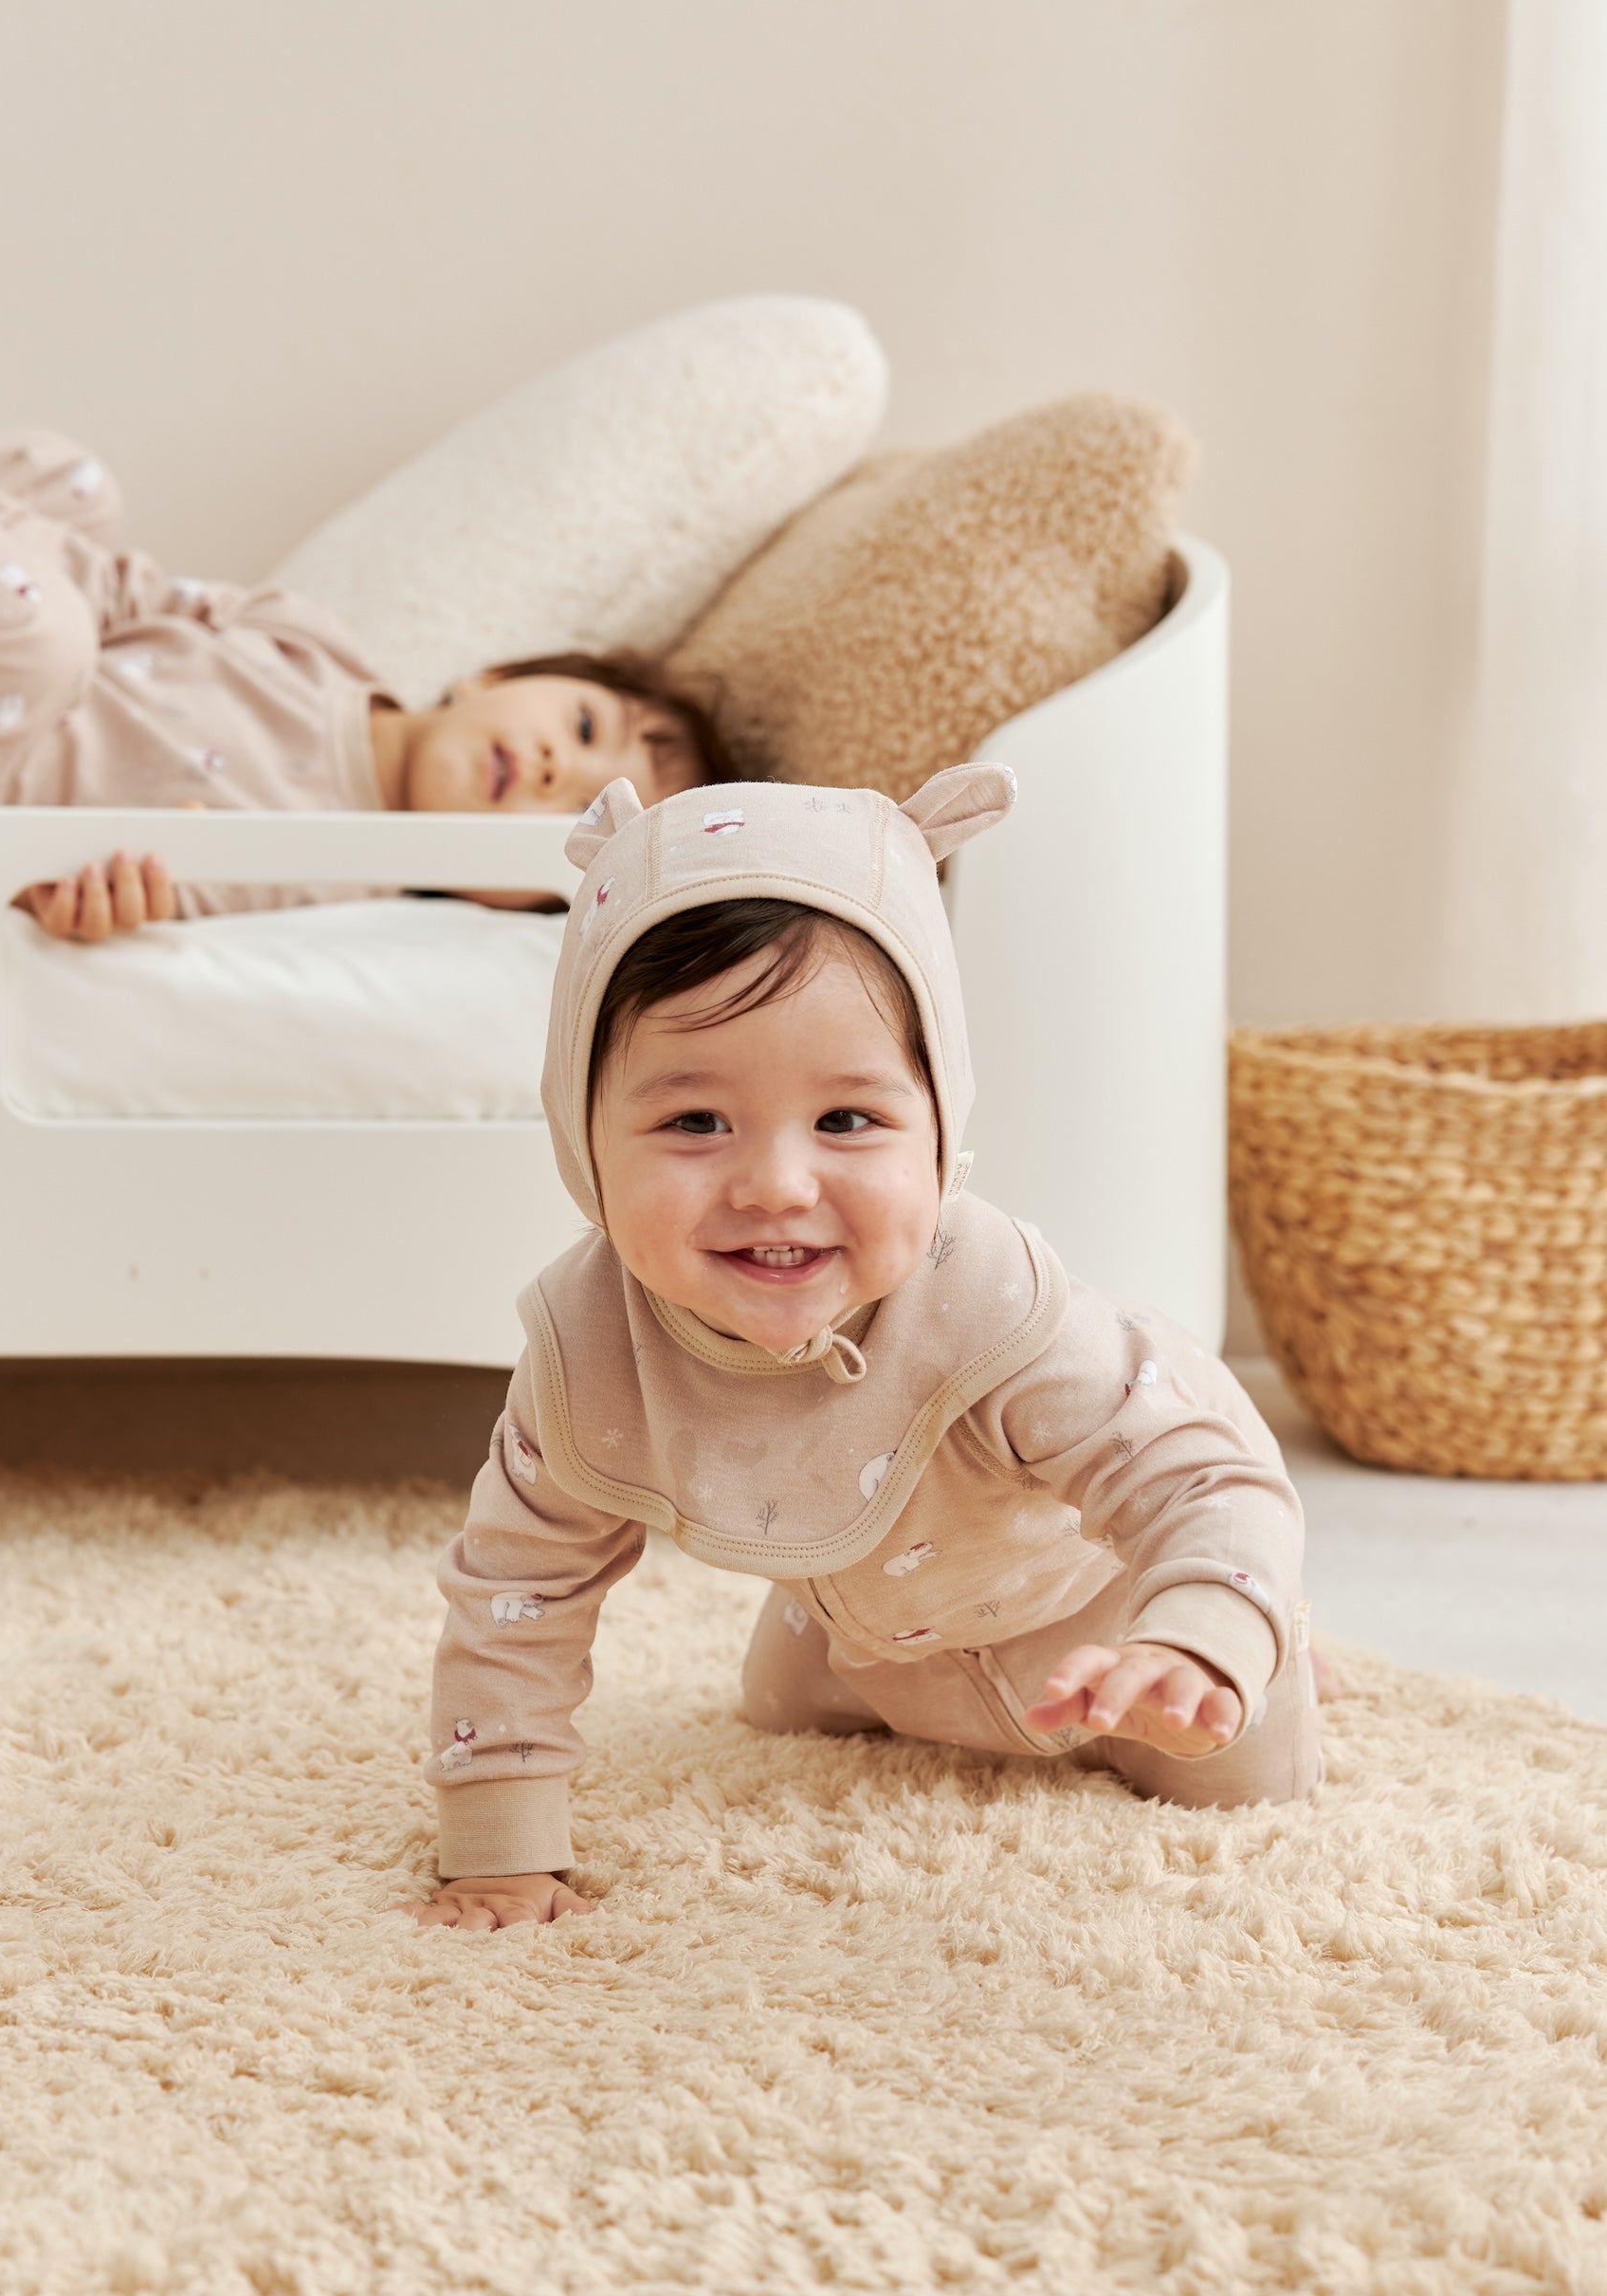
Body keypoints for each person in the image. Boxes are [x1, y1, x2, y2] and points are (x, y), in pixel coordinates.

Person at [408, 764, 1324, 1934]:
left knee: (1240, 1772)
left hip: (1099, 1607)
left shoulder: (994, 1310)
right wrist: (498, 1850)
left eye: (846, 1120)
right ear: (581, 1139)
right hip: (864, 1626)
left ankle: (1258, 1629)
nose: (777, 1186)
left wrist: (1201, 1632)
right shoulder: (588, 1344)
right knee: (777, 1710)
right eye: (694, 1121)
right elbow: (516, 1591)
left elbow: (1200, 1482)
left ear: (938, 1131)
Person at [0, 159, 722, 932]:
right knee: (69, 485)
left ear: (513, 902)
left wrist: (84, 904)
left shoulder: (335, 878)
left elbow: (63, 891)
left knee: (32, 644)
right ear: (499, 674)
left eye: (580, 816)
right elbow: (116, 590)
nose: (561, 771)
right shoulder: (315, 648)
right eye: (586, 729)